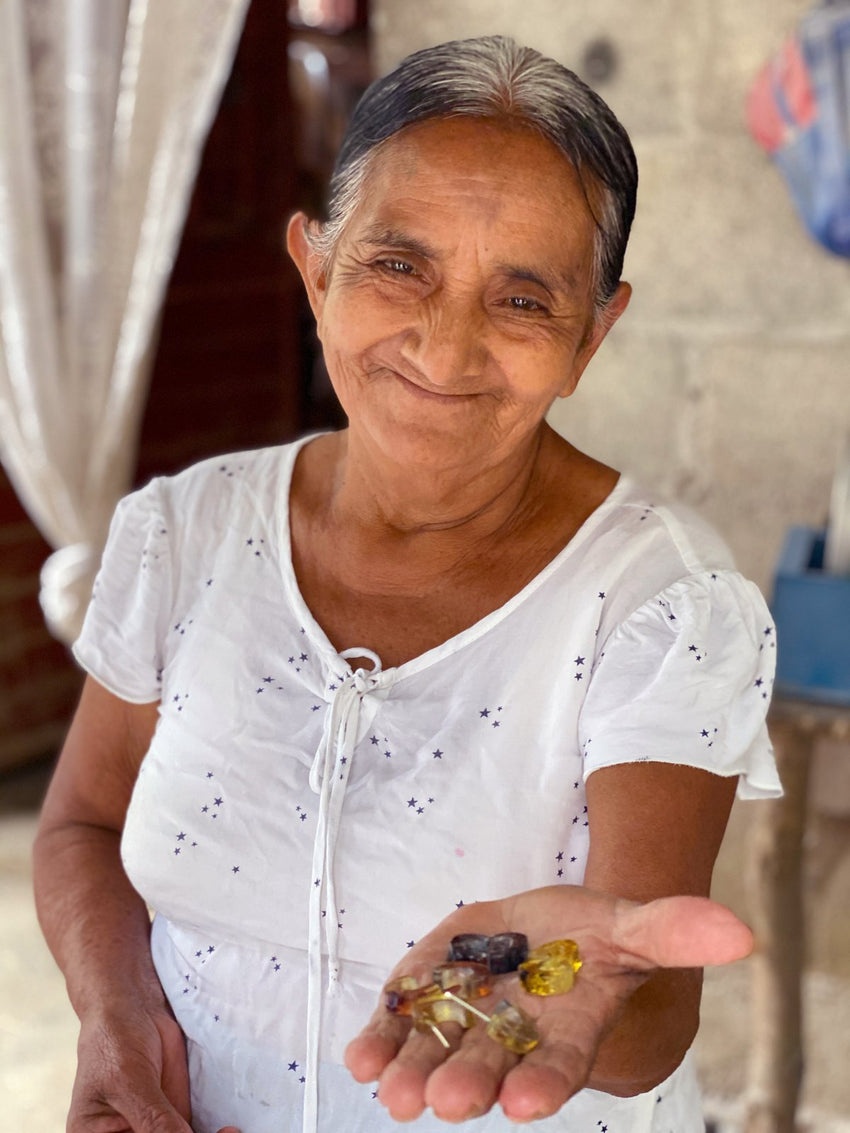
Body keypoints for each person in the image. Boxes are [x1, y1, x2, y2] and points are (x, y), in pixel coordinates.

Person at [33, 35, 782, 1133]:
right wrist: (115, 1021)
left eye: (524, 298)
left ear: (592, 336)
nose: (446, 339)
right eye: (398, 263)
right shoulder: (183, 530)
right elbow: (81, 826)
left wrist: (576, 979)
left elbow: (648, 1004)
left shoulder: (663, 600)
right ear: (315, 267)